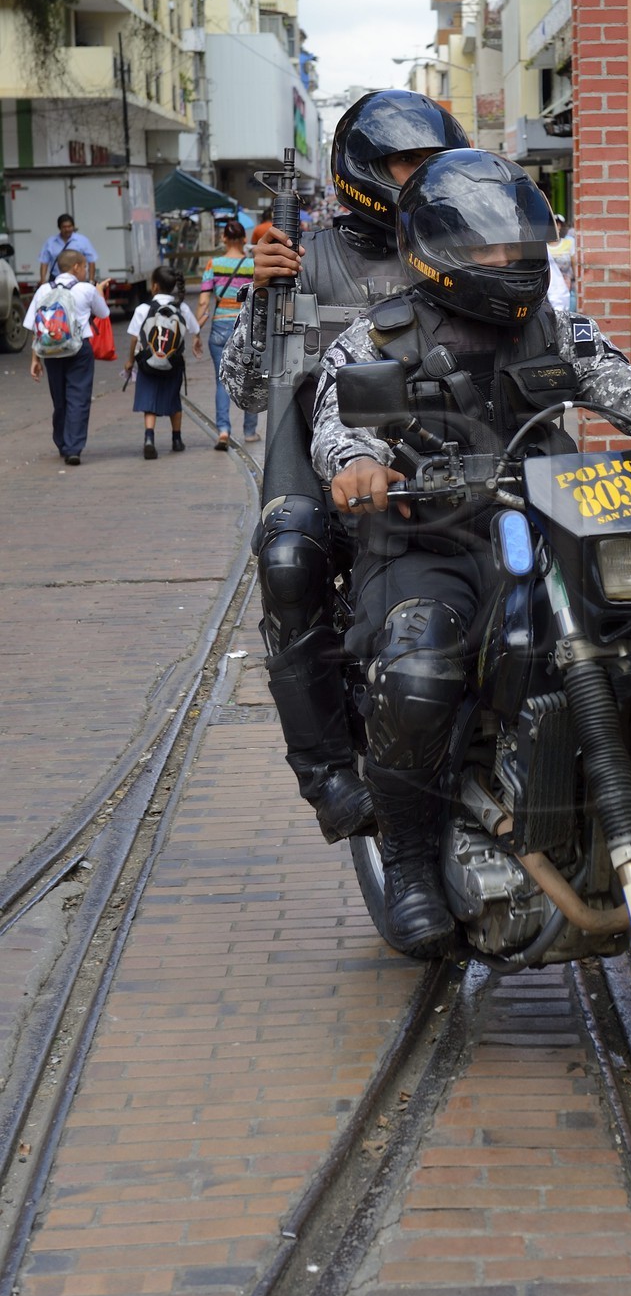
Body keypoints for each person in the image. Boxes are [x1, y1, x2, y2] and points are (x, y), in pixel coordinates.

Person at [310, 148, 631, 959]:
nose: (508, 262)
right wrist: (356, 463)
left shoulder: (553, 325)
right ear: (437, 251)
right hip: (429, 536)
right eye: (488, 249)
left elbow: (628, 390)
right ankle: (413, 862)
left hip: (552, 521)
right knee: (419, 669)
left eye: (518, 245)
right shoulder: (376, 336)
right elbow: (334, 419)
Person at [217, 89, 470, 846]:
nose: (424, 175)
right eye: (407, 162)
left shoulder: (464, 243)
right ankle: (326, 771)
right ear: (365, 172)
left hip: (447, 447)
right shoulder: (303, 257)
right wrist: (266, 296)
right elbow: (249, 389)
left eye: (434, 160)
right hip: (322, 456)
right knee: (290, 556)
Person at [23, 248, 110, 464]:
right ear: (76, 267)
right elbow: (104, 313)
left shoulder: (43, 290)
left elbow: (35, 326)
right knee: (78, 398)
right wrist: (98, 291)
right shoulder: (86, 289)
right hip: (79, 349)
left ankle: (62, 442)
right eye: (83, 267)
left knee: (59, 398)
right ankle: (73, 448)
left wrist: (35, 359)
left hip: (50, 351)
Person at [124, 264, 203, 458]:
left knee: (149, 399)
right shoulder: (181, 307)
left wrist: (129, 361)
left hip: (147, 363)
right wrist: (196, 339)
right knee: (173, 399)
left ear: (155, 286)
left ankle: (149, 438)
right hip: (173, 363)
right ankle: (176, 439)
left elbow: (134, 338)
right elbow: (195, 329)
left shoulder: (143, 309)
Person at [196, 219, 258, 449]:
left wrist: (196, 331)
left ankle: (223, 430)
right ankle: (250, 431)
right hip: (245, 328)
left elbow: (203, 301)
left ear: (223, 238)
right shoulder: (252, 265)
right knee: (250, 379)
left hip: (219, 328)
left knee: (221, 381)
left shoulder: (213, 264)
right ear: (244, 239)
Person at [38, 214, 98, 284]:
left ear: (73, 226)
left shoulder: (82, 241)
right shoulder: (51, 242)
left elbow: (91, 261)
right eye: (64, 227)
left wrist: (91, 280)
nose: (67, 229)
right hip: (56, 280)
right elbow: (44, 262)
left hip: (77, 280)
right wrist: (43, 279)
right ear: (59, 227)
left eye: (69, 226)